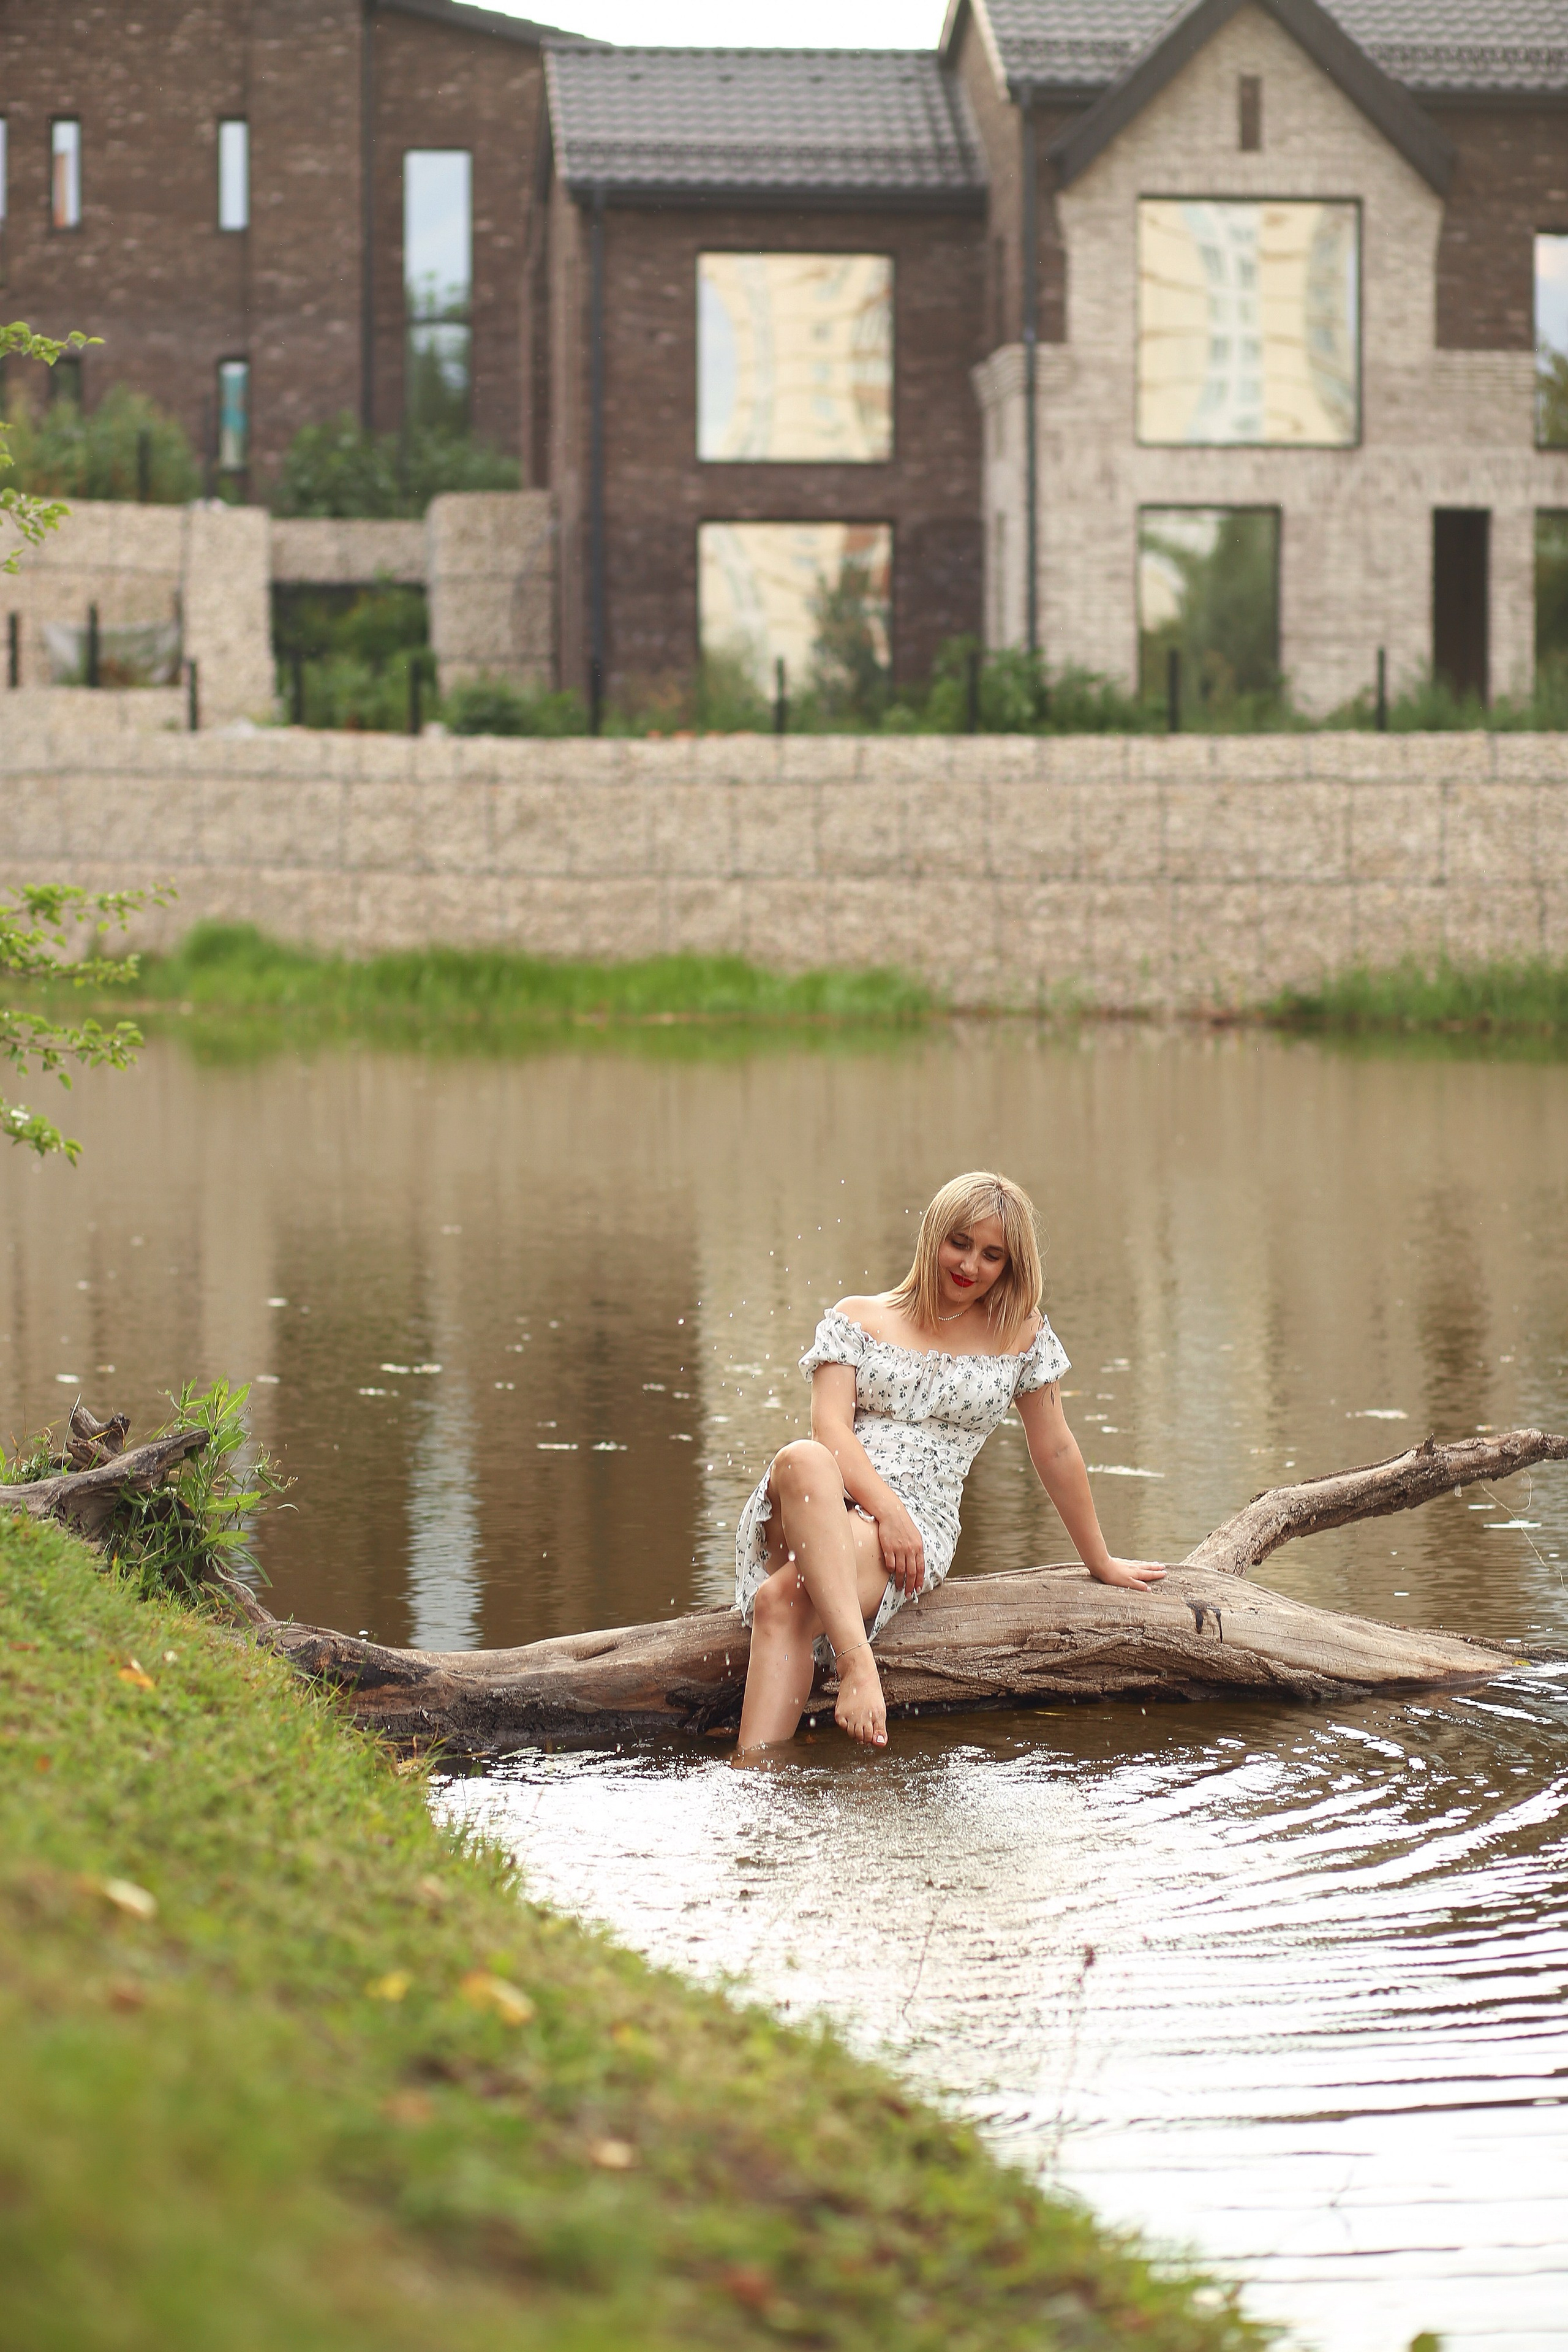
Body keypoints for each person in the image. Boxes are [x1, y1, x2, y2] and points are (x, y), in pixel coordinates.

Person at [733, 1170, 1166, 1757]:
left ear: (1011, 1266)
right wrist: (884, 1508)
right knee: (805, 1457)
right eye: (959, 1243)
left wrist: (1100, 1560)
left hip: (920, 1523)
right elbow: (829, 1429)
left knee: (780, 1602)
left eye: (992, 1255)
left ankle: (753, 1787)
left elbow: (1056, 1449)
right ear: (934, 1233)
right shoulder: (856, 1318)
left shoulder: (1021, 1336)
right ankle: (859, 1670)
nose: (970, 1265)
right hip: (823, 1503)